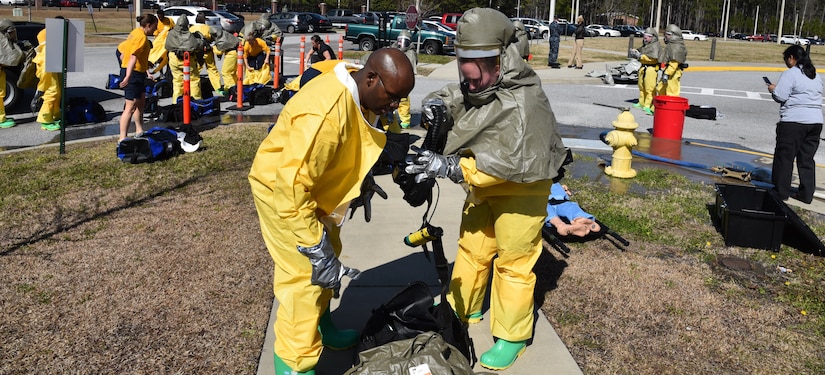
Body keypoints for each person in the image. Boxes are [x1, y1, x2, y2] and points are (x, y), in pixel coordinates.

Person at [406, 8, 567, 371]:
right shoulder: (485, 84)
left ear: (503, 59)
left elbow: (508, 162)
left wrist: (446, 165)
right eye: (464, 59)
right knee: (474, 248)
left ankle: (512, 336)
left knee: (513, 263)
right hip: (483, 187)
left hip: (521, 191)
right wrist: (440, 104)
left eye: (478, 61)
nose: (468, 71)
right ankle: (465, 306)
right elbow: (461, 94)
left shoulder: (525, 102)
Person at [248, 48, 415, 375]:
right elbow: (291, 187)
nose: (395, 107)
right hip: (284, 196)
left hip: (318, 193)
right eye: (393, 98)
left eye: (400, 100)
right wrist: (312, 246)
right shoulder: (325, 114)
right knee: (305, 281)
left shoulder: (360, 84)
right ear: (371, 78)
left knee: (330, 257)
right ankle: (295, 366)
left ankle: (322, 327)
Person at [766, 45, 823, 204]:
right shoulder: (815, 75)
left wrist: (772, 89)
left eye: (786, 59)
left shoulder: (790, 74)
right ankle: (806, 194)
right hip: (816, 121)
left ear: (791, 58)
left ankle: (781, 192)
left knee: (785, 157)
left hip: (794, 121)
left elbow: (780, 96)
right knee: (806, 159)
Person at [118, 14, 158, 141]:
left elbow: (122, 54)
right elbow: (133, 57)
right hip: (133, 74)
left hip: (138, 72)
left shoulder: (134, 33)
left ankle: (139, 130)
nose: (155, 30)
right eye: (154, 27)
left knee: (141, 102)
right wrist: (127, 76)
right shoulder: (141, 37)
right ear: (148, 25)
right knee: (130, 107)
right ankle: (122, 138)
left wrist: (146, 64)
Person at [33, 16, 65, 131]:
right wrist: (41, 87)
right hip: (46, 69)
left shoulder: (49, 42)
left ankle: (55, 115)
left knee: (57, 92)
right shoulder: (47, 48)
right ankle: (45, 120)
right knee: (52, 92)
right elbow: (45, 68)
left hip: (50, 67)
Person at [165, 16, 204, 101]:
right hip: (188, 59)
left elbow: (167, 46)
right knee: (194, 80)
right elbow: (196, 46)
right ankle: (197, 101)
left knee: (177, 81)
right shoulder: (189, 35)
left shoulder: (171, 33)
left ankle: (176, 102)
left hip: (174, 59)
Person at [629, 27, 663, 116]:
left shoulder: (656, 46)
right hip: (643, 68)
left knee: (649, 88)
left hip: (651, 69)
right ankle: (641, 102)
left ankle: (648, 105)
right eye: (644, 36)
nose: (645, 38)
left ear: (653, 37)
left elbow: (653, 58)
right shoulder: (645, 45)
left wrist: (641, 57)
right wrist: (635, 52)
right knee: (641, 86)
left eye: (647, 36)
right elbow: (641, 52)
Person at [0, 19, 24, 129]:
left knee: (2, 93)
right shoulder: (2, 41)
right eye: (11, 32)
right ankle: (0, 119)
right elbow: (12, 58)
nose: (13, 35)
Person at [189, 13, 220, 96]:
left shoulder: (191, 29)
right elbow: (213, 38)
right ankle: (218, 88)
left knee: (196, 70)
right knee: (212, 69)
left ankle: (195, 88)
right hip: (207, 52)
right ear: (204, 20)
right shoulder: (208, 28)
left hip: (197, 53)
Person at [394, 30, 416, 129]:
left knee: (403, 101)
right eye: (400, 40)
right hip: (393, 79)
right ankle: (391, 120)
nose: (401, 43)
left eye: (404, 41)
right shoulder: (393, 49)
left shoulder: (410, 53)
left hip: (403, 81)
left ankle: (405, 121)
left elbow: (411, 68)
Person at [657, 24, 687, 96]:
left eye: (667, 35)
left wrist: (667, 73)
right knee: (661, 88)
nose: (665, 36)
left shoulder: (676, 47)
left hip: (673, 73)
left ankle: (671, 106)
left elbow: (674, 63)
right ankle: (662, 104)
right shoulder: (671, 46)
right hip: (667, 71)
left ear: (673, 35)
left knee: (672, 91)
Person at [210, 25, 239, 96]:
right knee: (232, 72)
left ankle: (231, 88)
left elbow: (219, 52)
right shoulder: (225, 34)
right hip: (237, 52)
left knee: (225, 72)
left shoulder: (221, 40)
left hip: (230, 55)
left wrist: (213, 46)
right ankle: (237, 87)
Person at [147, 9, 174, 80]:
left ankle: (168, 72)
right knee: (160, 58)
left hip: (169, 42)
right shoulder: (157, 22)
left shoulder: (169, 20)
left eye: (162, 17)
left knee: (168, 57)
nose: (161, 18)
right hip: (159, 44)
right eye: (159, 17)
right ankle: (161, 72)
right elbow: (156, 34)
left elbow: (174, 28)